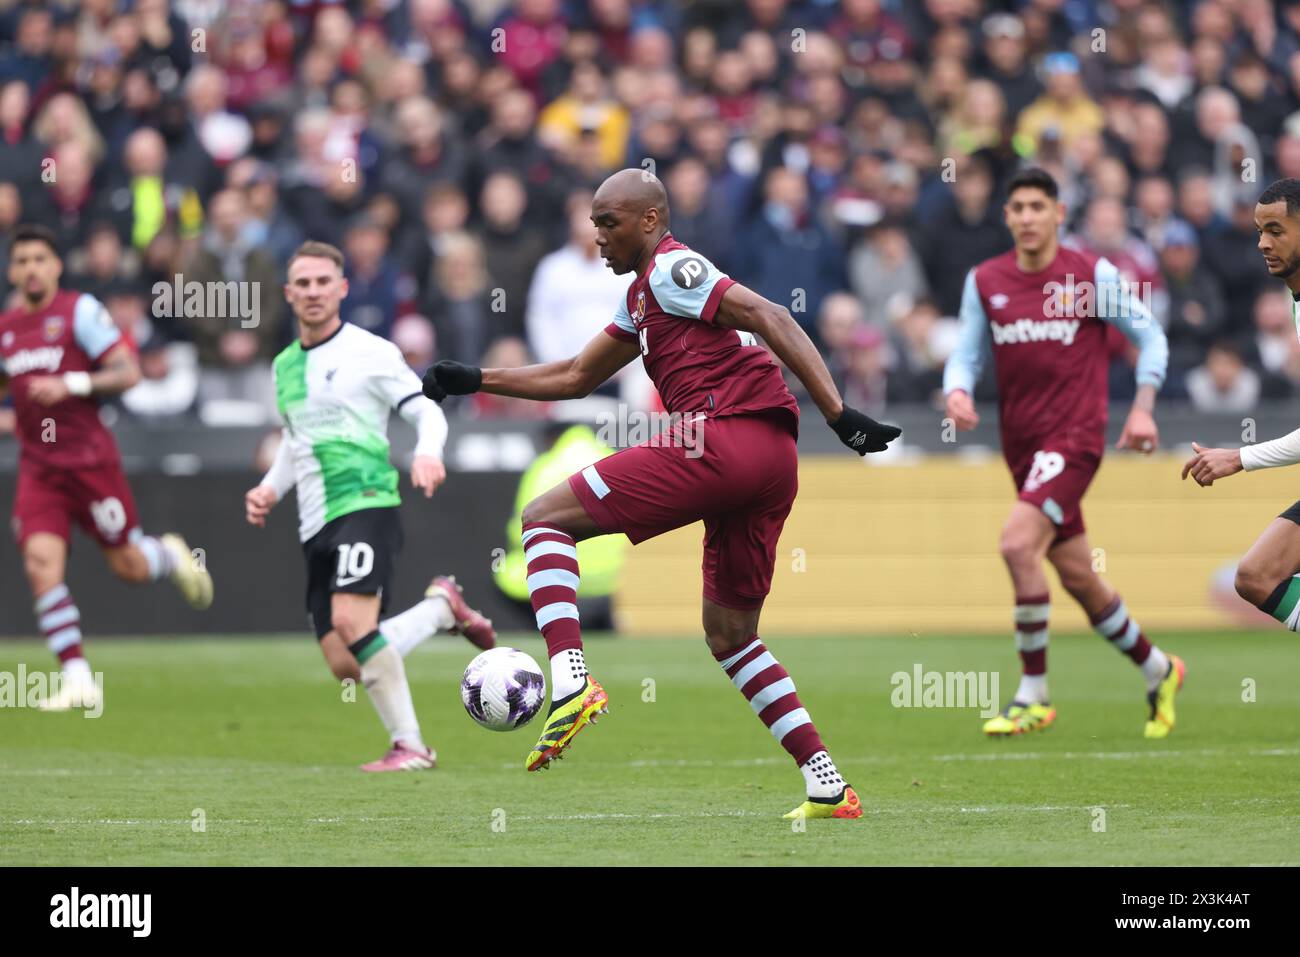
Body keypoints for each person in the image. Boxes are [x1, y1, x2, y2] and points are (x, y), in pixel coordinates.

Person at [422, 169, 901, 819]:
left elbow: (770, 313)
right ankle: (826, 782)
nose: (598, 238)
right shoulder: (643, 295)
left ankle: (569, 680)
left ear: (650, 220)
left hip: (721, 436)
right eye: (593, 225)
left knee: (543, 519)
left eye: (608, 223)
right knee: (732, 636)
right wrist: (478, 376)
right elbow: (574, 375)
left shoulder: (676, 269)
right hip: (768, 460)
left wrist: (840, 414)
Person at [942, 168, 1185, 739]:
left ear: (1058, 214)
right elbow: (966, 352)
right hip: (1022, 449)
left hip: (1075, 440)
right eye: (1017, 207)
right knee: (1080, 578)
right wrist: (956, 388)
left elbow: (1150, 334)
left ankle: (1033, 694)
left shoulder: (1089, 275)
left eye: (1037, 206)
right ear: (1007, 216)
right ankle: (1160, 668)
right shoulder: (986, 280)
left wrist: (1144, 405)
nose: (1027, 217)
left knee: (1015, 544)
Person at [243, 241, 495, 772]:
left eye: (322, 282)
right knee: (345, 662)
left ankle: (411, 746)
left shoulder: (370, 352)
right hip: (314, 519)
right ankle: (439, 609)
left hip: (366, 500)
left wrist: (428, 452)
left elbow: (428, 412)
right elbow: (296, 439)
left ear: (342, 288)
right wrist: (271, 487)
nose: (313, 292)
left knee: (352, 623)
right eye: (303, 284)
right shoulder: (285, 366)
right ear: (289, 294)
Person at [0, 224, 212, 711]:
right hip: (39, 466)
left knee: (129, 567)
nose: (31, 268)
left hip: (90, 463)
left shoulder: (81, 313)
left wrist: (71, 385)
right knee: (40, 564)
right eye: (22, 260)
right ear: (13, 270)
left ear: (56, 266)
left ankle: (169, 554)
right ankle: (78, 677)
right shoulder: (8, 328)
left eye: (40, 258)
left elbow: (128, 371)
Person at [1182, 179, 1300, 633]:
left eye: (1275, 230)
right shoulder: (1295, 296)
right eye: (1258, 231)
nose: (1262, 243)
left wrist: (1239, 457)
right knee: (1258, 576)